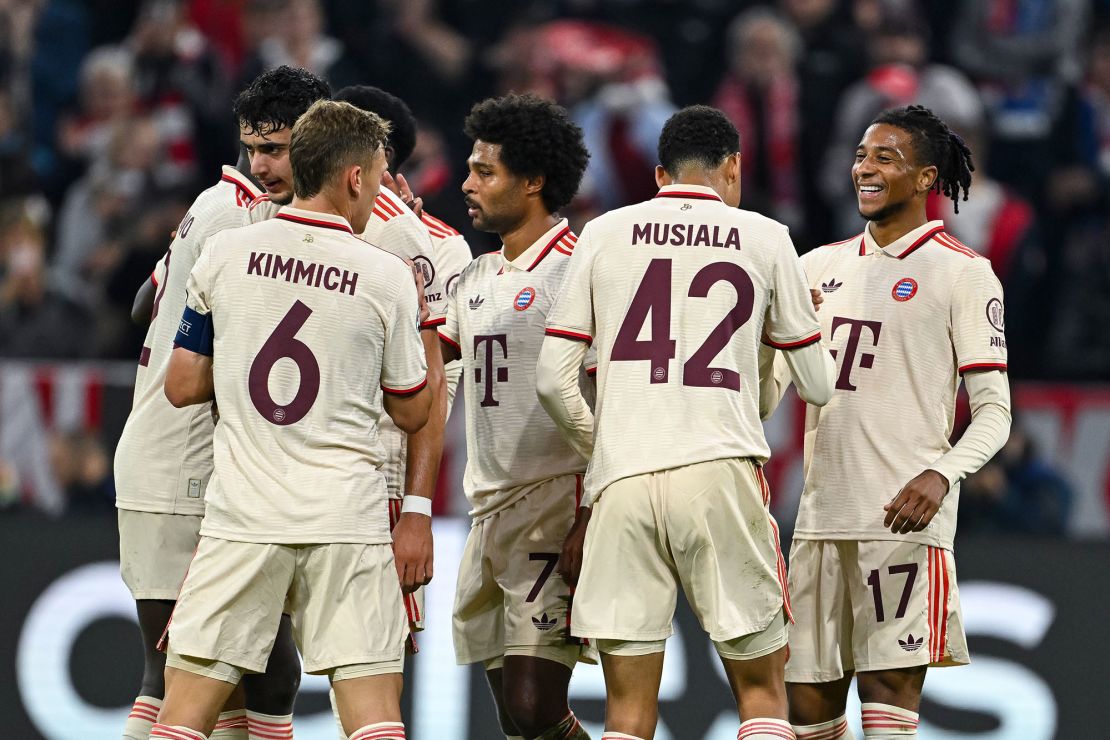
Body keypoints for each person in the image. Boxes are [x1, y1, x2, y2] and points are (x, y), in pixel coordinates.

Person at [537, 104, 835, 740]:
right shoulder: (766, 236)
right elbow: (818, 385)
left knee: (626, 712)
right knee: (760, 692)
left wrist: (608, 443)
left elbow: (551, 381)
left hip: (621, 484)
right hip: (718, 469)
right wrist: (780, 346)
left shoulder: (602, 233)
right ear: (733, 167)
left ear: (658, 175)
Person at [152, 99, 431, 740]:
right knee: (373, 720)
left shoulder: (225, 254)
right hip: (345, 519)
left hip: (244, 516)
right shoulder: (386, 274)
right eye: (380, 175)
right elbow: (412, 409)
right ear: (356, 178)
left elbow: (182, 384)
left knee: (184, 720)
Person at [761, 105, 1011, 740]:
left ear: (927, 178)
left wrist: (942, 475)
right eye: (861, 156)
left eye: (885, 158)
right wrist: (770, 344)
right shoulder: (813, 267)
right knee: (808, 721)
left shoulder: (963, 273)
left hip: (901, 521)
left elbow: (994, 413)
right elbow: (766, 400)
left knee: (887, 718)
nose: (865, 169)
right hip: (819, 521)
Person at [113, 65, 329, 740]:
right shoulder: (252, 217)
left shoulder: (211, 204)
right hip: (182, 465)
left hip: (179, 461)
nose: (265, 163)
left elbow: (142, 303)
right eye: (255, 148)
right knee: (191, 672)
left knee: (241, 671)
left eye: (278, 148)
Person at [436, 93, 593, 740]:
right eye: (471, 169)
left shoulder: (582, 269)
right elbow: (424, 383)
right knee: (518, 720)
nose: (469, 185)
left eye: (486, 172)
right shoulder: (473, 278)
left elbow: (614, 394)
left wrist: (594, 511)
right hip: (488, 511)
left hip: (556, 503)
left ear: (534, 182)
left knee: (534, 706)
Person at [333, 83, 473, 651]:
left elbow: (437, 389)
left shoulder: (439, 249)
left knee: (368, 661)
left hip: (378, 478)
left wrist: (416, 509)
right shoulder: (276, 223)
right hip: (285, 475)